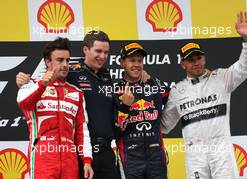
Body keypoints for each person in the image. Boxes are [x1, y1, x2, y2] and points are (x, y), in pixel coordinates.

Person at [16, 31, 134, 179]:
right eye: (98, 51)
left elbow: (109, 116)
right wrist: (24, 80)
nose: (102, 56)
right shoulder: (71, 72)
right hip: (74, 152)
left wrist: (139, 79)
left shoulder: (106, 76)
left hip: (105, 150)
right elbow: (47, 79)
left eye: (106, 52)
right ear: (85, 50)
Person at [161, 12, 247, 179]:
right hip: (195, 156)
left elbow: (245, 66)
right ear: (183, 64)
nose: (196, 62)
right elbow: (164, 125)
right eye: (191, 60)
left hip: (221, 152)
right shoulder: (177, 91)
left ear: (204, 58)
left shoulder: (221, 78)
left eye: (198, 57)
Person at [16, 37, 93, 179]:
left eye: (67, 60)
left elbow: (82, 130)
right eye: (60, 60)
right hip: (42, 156)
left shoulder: (76, 92)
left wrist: (87, 160)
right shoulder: (31, 85)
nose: (65, 64)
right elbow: (23, 104)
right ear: (47, 62)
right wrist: (42, 84)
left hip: (69, 157)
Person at [115, 42, 169, 179]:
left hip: (156, 155)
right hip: (130, 157)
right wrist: (125, 108)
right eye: (132, 60)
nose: (137, 64)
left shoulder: (154, 84)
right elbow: (116, 128)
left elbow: (176, 100)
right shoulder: (115, 89)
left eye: (140, 60)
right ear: (122, 63)